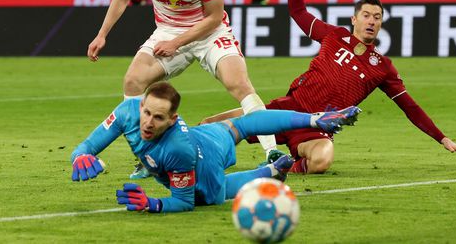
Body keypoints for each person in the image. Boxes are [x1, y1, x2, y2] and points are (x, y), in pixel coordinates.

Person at [202, 0, 456, 175]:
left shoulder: (382, 67)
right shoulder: (334, 35)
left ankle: (282, 168)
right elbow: (298, 11)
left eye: (377, 17)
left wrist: (442, 138)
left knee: (322, 160)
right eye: (367, 15)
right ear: (354, 19)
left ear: (381, 24)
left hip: (317, 127)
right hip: (288, 109)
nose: (371, 21)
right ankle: (190, 159)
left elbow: (410, 107)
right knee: (210, 126)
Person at [86, 0, 278, 178]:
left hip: (209, 33)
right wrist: (102, 34)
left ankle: (273, 153)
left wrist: (177, 43)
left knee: (240, 85)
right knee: (132, 81)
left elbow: (213, 18)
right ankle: (148, 156)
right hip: (167, 30)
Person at [70, 81, 361, 214]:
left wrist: (154, 204)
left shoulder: (177, 150)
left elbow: (182, 203)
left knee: (210, 196)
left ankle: (269, 171)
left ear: (172, 120)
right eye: (146, 112)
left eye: (158, 118)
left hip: (204, 158)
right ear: (141, 105)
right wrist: (80, 156)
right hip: (206, 133)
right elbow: (87, 145)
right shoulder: (127, 112)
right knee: (242, 125)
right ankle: (313, 120)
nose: (147, 123)